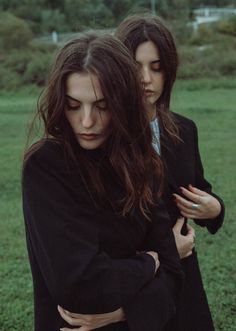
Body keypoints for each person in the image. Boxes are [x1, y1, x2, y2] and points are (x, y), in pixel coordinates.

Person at [57, 15, 225, 331]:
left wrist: (215, 209)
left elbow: (197, 190)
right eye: (136, 66)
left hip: (184, 283)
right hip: (131, 284)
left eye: (157, 67)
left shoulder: (185, 130)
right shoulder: (99, 139)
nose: (146, 78)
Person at [22, 33, 184, 331]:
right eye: (73, 105)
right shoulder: (46, 165)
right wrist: (147, 264)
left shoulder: (143, 161)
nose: (86, 121)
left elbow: (173, 273)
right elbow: (80, 285)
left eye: (102, 105)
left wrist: (122, 312)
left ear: (124, 103)